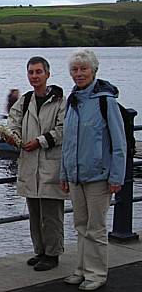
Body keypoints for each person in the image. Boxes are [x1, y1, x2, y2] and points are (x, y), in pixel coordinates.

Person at [59, 49, 126, 291]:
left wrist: (116, 177)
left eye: (83, 69)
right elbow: (68, 142)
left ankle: (96, 274)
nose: (78, 74)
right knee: (80, 226)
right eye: (75, 70)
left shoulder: (105, 101)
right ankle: (81, 269)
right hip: (76, 176)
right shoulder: (73, 100)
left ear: (93, 71)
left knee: (96, 229)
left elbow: (119, 143)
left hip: (99, 176)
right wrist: (64, 174)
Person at [7, 56, 67, 272]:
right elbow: (12, 123)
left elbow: (63, 130)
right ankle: (40, 250)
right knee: (34, 213)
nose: (34, 76)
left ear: (47, 74)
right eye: (31, 72)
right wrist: (13, 136)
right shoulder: (23, 101)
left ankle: (53, 254)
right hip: (30, 163)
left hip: (50, 164)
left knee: (51, 213)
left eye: (38, 72)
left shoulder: (61, 101)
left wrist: (40, 141)